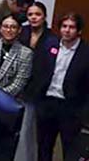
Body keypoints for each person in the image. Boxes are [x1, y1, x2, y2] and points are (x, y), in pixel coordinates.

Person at [30, 13, 89, 161]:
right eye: (64, 26)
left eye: (72, 27)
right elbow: (38, 70)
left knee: (70, 149)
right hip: (47, 102)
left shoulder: (85, 52)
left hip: (70, 107)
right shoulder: (50, 44)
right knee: (44, 146)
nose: (67, 30)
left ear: (79, 31)